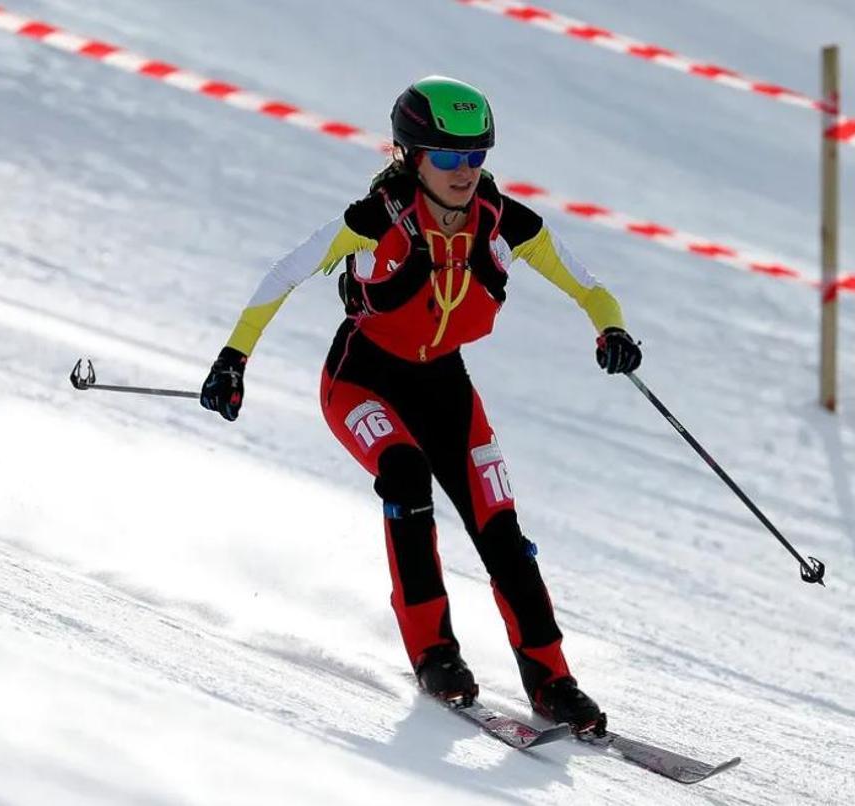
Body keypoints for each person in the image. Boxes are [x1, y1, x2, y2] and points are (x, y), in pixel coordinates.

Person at [200, 76, 642, 734]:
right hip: (362, 379)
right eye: (448, 156)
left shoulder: (505, 223)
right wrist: (233, 358)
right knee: (405, 475)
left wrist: (612, 330)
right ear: (411, 156)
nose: (465, 171)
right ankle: (435, 655)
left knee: (500, 528)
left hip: (445, 386)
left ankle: (553, 681)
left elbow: (590, 287)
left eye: (476, 156)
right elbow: (285, 272)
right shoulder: (376, 218)